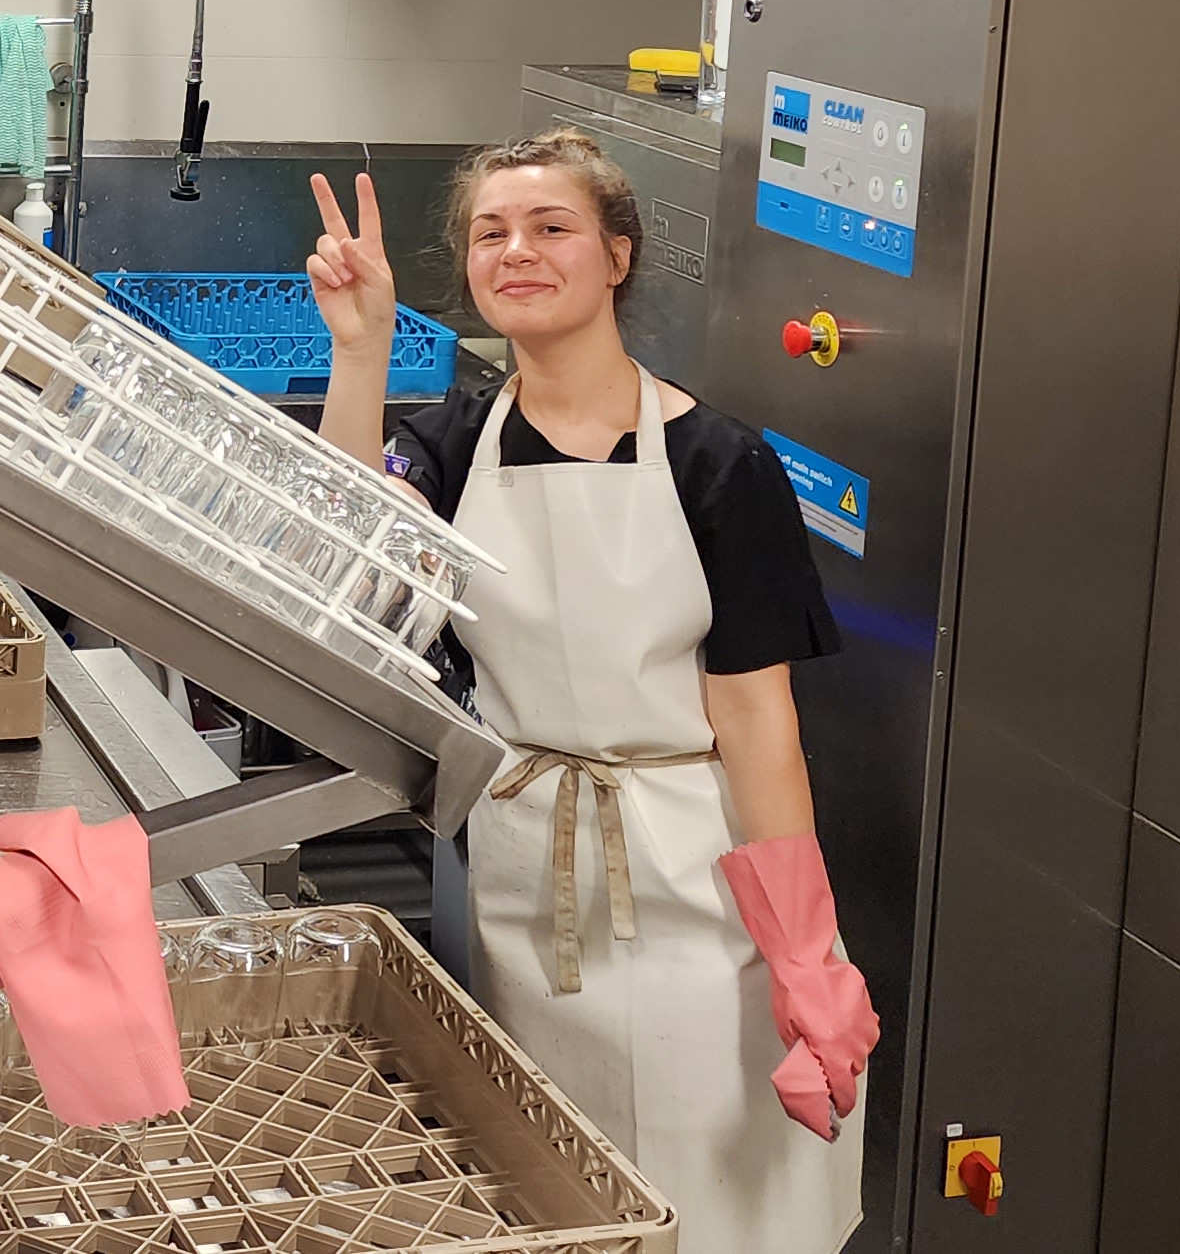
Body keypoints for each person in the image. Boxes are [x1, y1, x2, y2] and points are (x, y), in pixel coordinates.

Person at [305, 132, 873, 1248]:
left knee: (718, 1196)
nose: (516, 251)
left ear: (617, 255)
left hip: (696, 884)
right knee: (560, 1190)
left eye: (550, 227)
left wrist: (806, 955)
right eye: (490, 233)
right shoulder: (450, 446)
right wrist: (360, 350)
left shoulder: (719, 462)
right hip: (527, 878)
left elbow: (757, 720)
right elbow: (346, 565)